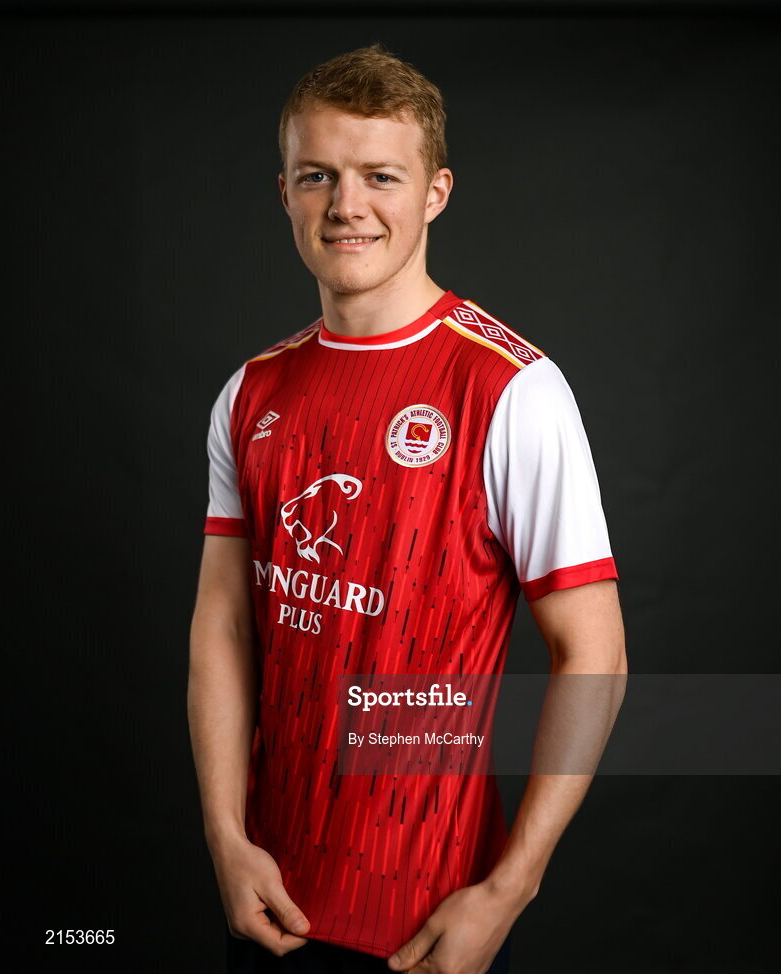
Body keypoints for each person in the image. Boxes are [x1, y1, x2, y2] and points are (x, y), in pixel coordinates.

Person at [188, 43, 627, 974]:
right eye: (319, 176)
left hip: (426, 927)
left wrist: (509, 892)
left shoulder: (514, 390)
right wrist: (226, 840)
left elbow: (595, 655)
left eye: (380, 176)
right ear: (285, 191)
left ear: (435, 191)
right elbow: (223, 625)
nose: (347, 206)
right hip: (266, 900)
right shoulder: (250, 393)